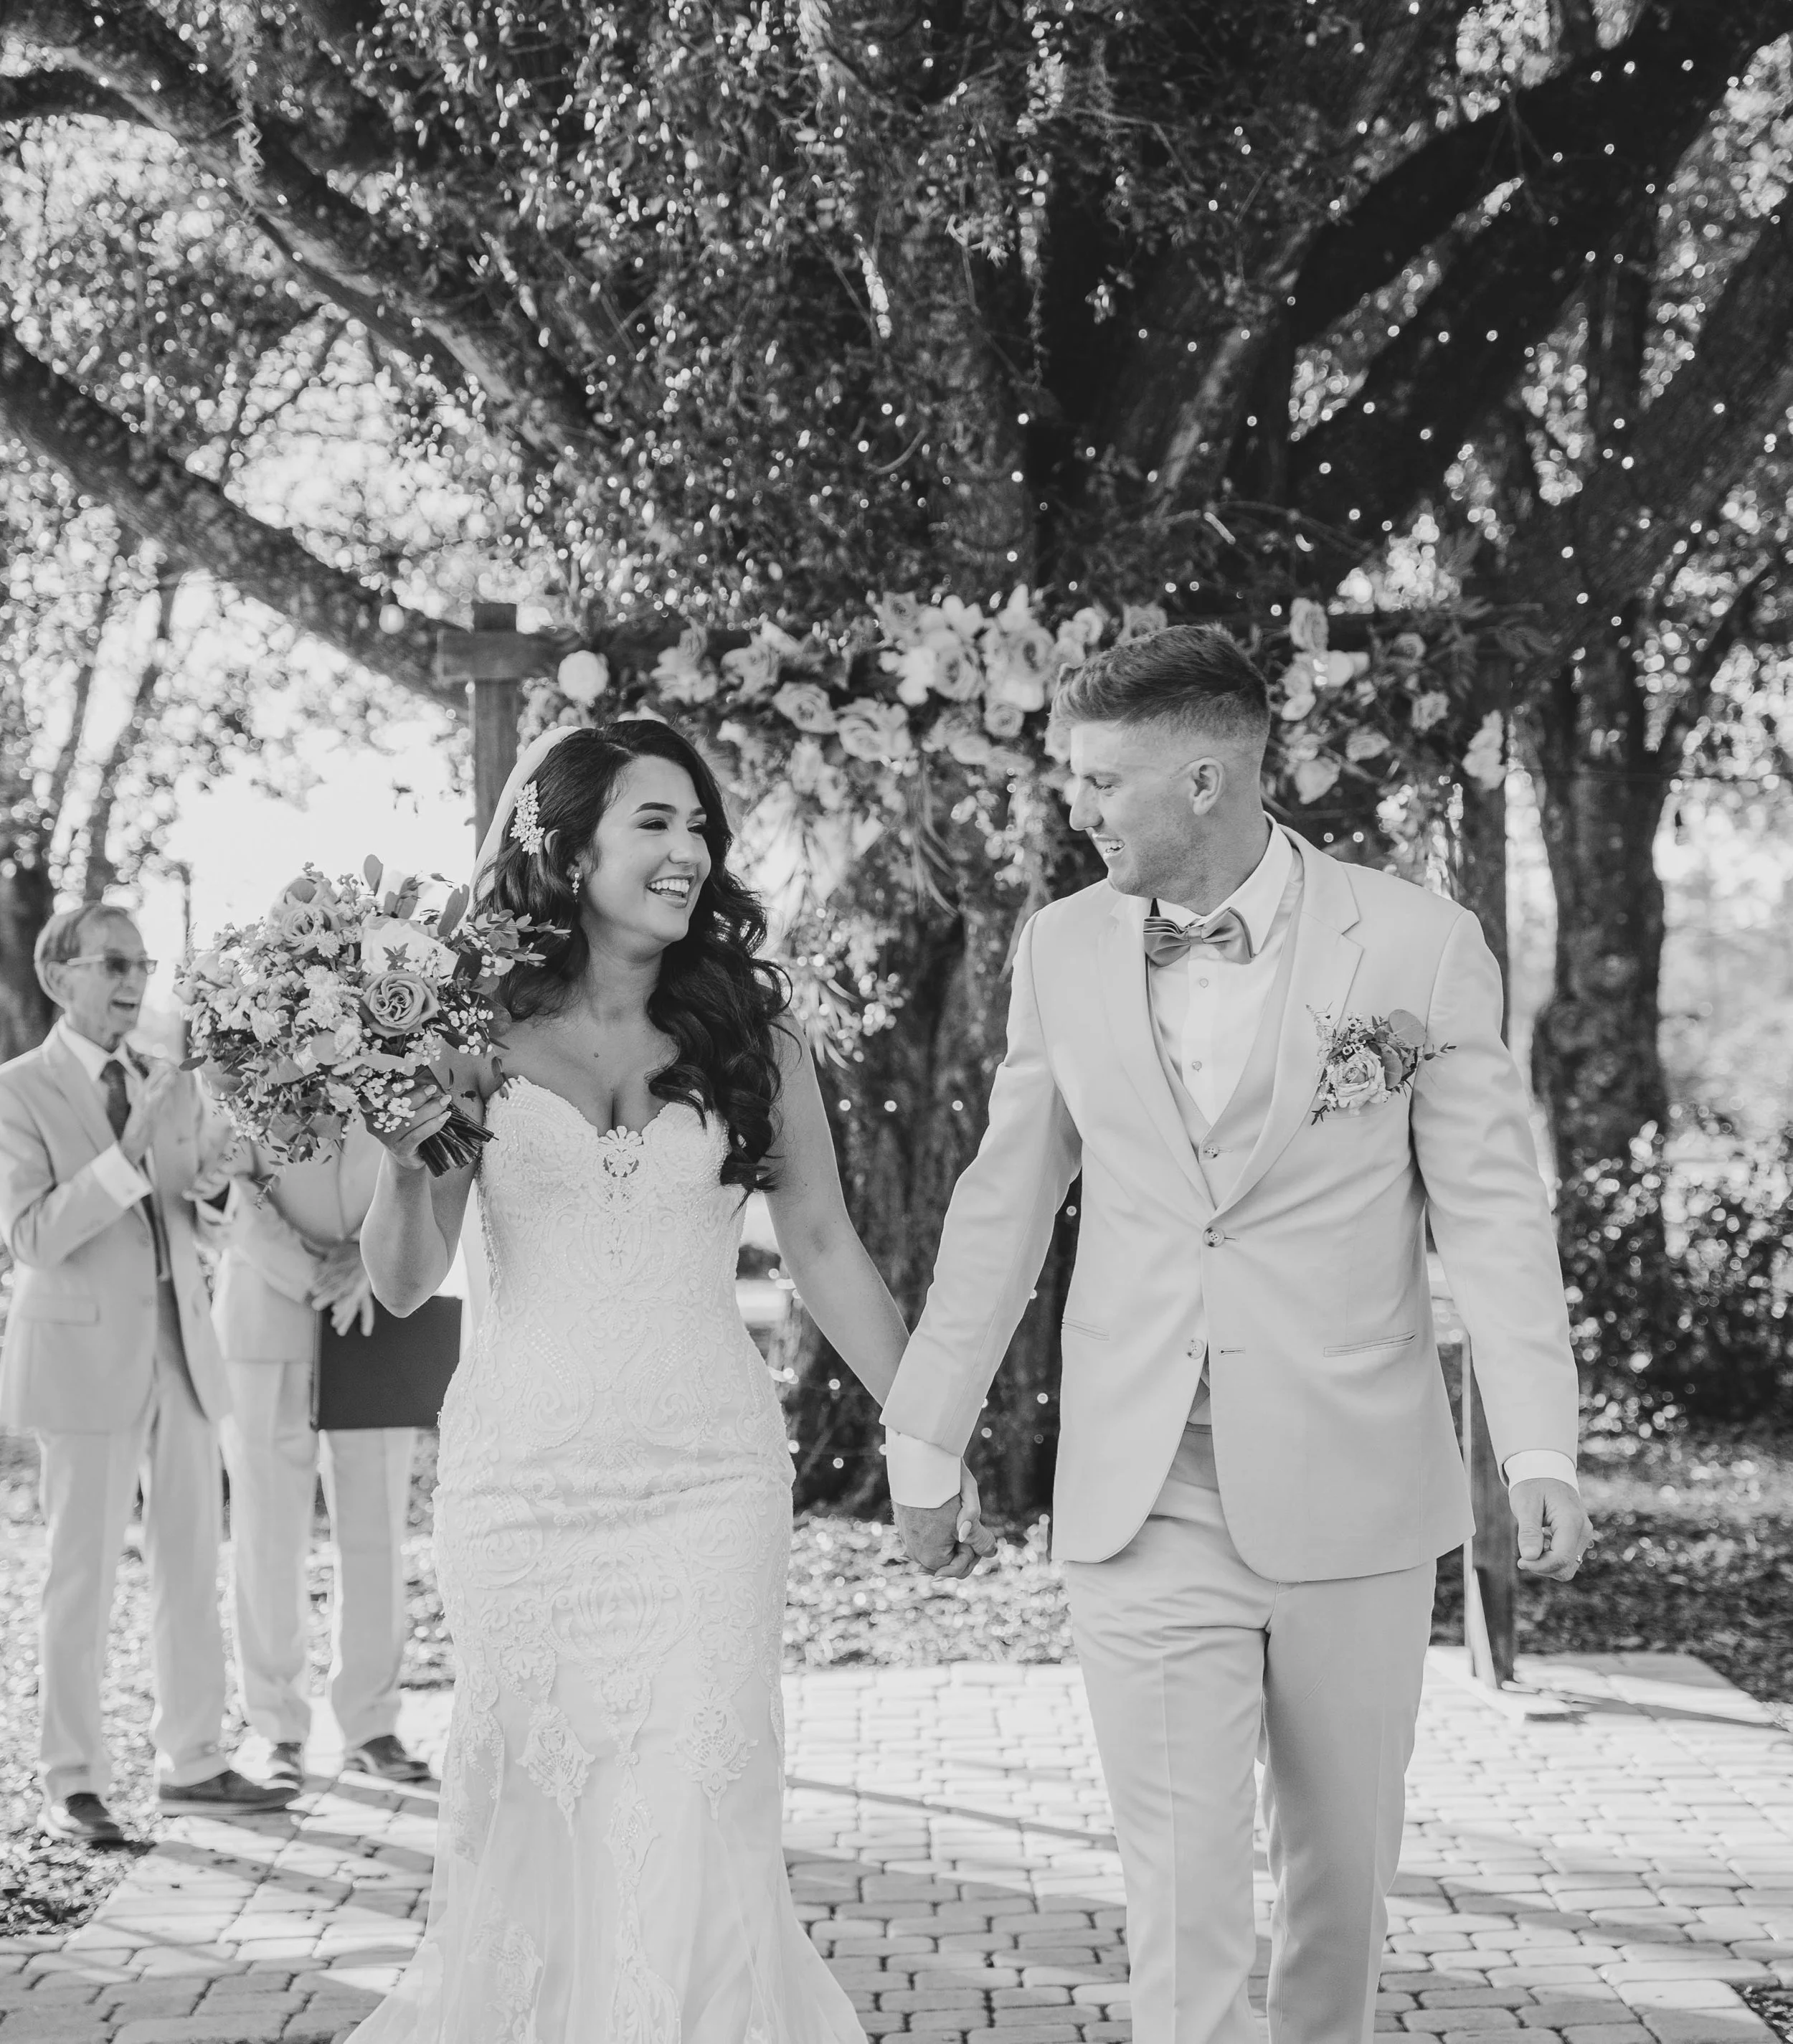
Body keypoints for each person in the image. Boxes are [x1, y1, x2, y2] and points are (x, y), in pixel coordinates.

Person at [881, 625, 1593, 2044]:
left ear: (1202, 779)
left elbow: (1495, 1221)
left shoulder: (1410, 943)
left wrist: (1534, 1447)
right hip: (1145, 1500)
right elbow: (1000, 1207)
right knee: (1180, 1899)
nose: (1076, 809)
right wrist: (923, 1432)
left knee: (1338, 1892)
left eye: (1098, 781)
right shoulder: (1062, 947)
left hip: (1354, 1496)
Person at [347, 718, 960, 2042]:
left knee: (696, 1813)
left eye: (700, 828)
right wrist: (404, 1157)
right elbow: (403, 1282)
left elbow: (825, 1251)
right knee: (538, 1824)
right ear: (565, 852)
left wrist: (933, 1432)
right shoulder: (469, 1032)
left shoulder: (754, 1034)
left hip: (707, 1484)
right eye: (654, 824)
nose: (690, 852)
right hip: (523, 1492)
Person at [0, 902, 295, 1845]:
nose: (135, 980)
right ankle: (73, 1779)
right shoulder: (17, 1090)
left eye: (144, 962)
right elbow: (33, 1234)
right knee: (79, 1578)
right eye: (114, 961)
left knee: (189, 1564)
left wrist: (212, 1175)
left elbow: (189, 1219)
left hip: (183, 1350)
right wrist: (132, 1152)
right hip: (82, 1355)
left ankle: (195, 1759)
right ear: (59, 975)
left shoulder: (164, 1079)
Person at [214, 1118, 433, 1791]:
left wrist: (371, 1264)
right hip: (265, 1312)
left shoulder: (409, 1037)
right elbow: (228, 1179)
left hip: (376, 1316)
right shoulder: (239, 1030)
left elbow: (427, 1156)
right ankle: (276, 1726)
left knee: (375, 1529)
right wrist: (317, 1272)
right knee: (266, 1533)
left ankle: (371, 1723)